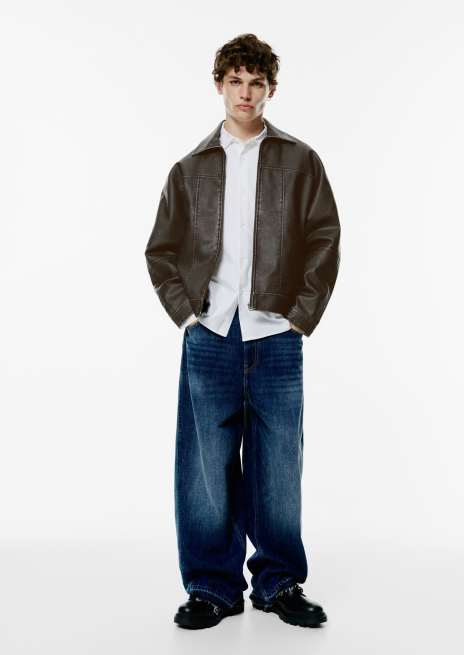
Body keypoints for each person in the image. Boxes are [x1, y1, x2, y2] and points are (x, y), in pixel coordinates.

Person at [145, 33, 341, 630]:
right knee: (205, 466)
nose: (246, 93)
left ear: (271, 89)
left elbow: (324, 239)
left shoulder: (300, 161)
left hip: (276, 332)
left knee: (278, 464)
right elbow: (161, 251)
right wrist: (188, 315)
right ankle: (213, 586)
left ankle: (279, 582)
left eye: (257, 83)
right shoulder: (190, 168)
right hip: (210, 333)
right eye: (236, 81)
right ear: (219, 85)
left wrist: (300, 316)